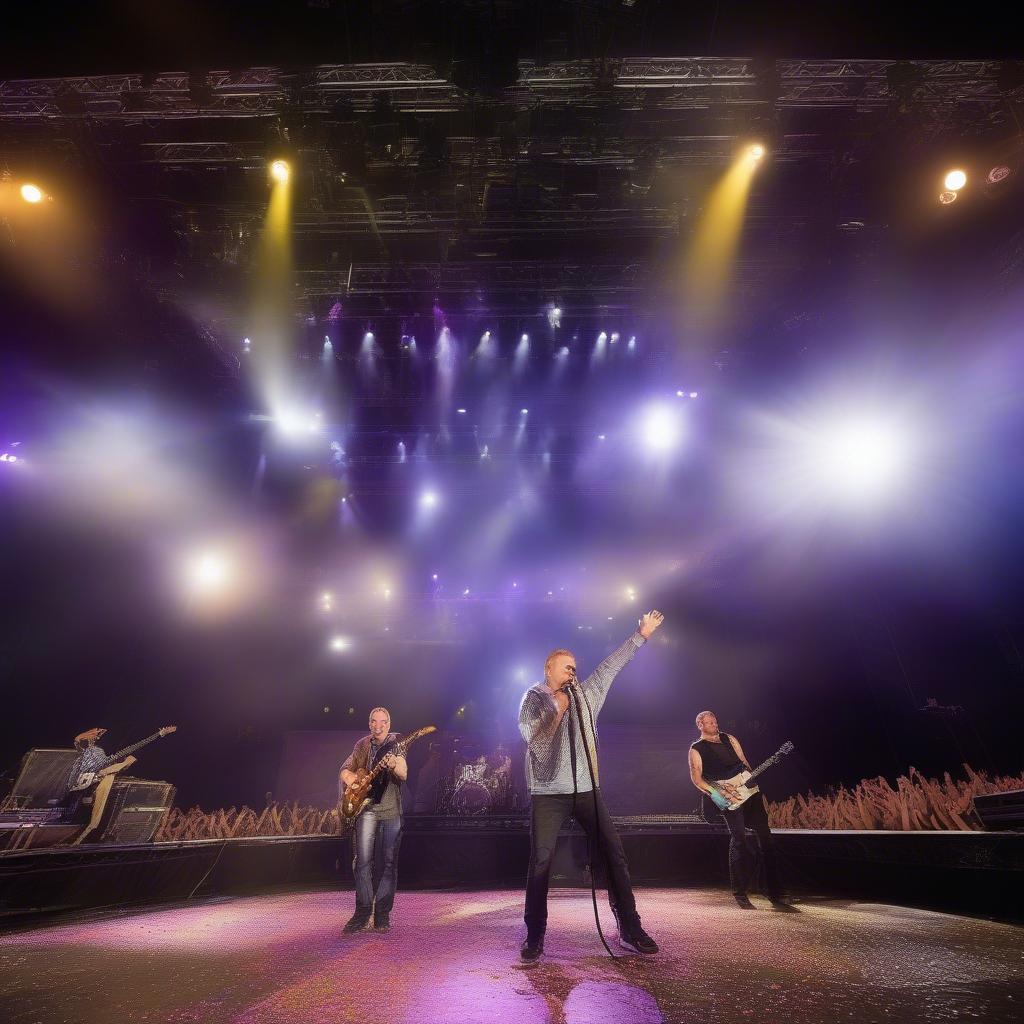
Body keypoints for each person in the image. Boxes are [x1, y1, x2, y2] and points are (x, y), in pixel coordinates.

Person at [517, 610, 665, 960]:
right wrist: (558, 708)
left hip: (587, 791)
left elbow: (611, 666)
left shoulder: (585, 694)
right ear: (548, 669)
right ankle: (534, 934)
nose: (572, 671)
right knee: (541, 861)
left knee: (614, 853)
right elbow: (534, 742)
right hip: (548, 794)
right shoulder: (532, 699)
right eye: (565, 666)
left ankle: (630, 927)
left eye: (574, 666)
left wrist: (640, 636)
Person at [687, 711, 787, 909]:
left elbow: (744, 761)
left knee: (765, 837)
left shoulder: (729, 738)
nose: (715, 724)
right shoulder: (695, 749)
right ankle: (740, 894)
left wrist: (752, 781)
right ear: (700, 724)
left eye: (715, 720)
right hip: (727, 795)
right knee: (739, 839)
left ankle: (774, 892)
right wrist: (717, 794)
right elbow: (697, 779)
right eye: (710, 722)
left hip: (749, 789)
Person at [339, 707, 408, 933]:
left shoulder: (396, 742)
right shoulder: (362, 745)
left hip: (391, 811)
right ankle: (362, 913)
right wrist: (352, 781)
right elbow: (345, 770)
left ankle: (382, 916)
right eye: (374, 721)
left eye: (383, 722)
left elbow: (404, 772)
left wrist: (394, 765)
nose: (378, 726)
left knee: (389, 864)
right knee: (362, 862)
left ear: (389, 724)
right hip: (367, 810)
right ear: (369, 724)